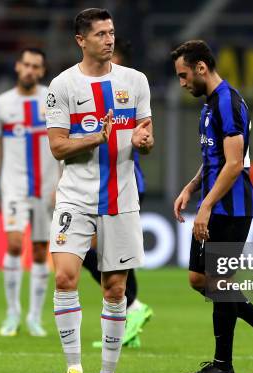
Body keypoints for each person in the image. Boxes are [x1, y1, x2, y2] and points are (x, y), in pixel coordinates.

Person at [45, 8, 153, 373]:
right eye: (101, 34)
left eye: (111, 33)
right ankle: (74, 371)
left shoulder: (136, 81)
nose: (109, 39)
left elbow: (146, 134)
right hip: (75, 197)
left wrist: (145, 142)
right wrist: (95, 138)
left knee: (115, 290)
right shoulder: (62, 86)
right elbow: (57, 146)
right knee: (64, 277)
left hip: (121, 198)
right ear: (81, 40)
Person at [171, 40, 253, 373]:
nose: (182, 83)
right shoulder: (210, 106)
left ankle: (224, 364)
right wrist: (191, 188)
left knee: (218, 281)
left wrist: (205, 206)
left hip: (231, 209)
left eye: (183, 75)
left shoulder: (229, 103)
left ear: (201, 68)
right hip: (216, 205)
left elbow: (235, 163)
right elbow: (215, 160)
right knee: (202, 280)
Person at [0, 47, 60, 338]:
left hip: (46, 187)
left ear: (42, 71)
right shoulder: (0, 104)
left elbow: (63, 145)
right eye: (26, 64)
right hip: (14, 186)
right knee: (15, 245)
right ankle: (12, 312)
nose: (30, 70)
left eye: (36, 66)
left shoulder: (52, 100)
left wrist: (61, 184)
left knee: (41, 252)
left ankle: (34, 317)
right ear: (18, 66)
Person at [84, 37, 153, 350]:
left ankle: (132, 308)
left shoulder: (131, 93)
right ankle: (130, 317)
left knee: (98, 252)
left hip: (122, 181)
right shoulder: (89, 93)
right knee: (103, 253)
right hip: (97, 183)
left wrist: (144, 141)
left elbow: (146, 136)